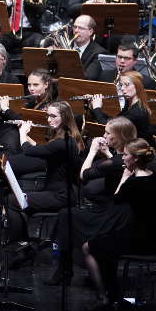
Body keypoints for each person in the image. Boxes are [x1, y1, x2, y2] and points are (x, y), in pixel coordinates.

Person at [46, 117, 138, 285]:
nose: (104, 135)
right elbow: (116, 165)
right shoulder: (126, 157)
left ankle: (65, 269)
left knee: (66, 215)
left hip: (112, 214)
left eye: (108, 133)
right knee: (67, 215)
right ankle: (71, 269)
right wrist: (107, 153)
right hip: (114, 209)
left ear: (118, 137)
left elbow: (83, 175)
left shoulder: (116, 162)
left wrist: (93, 151)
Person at [84, 138, 156, 311]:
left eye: (126, 155)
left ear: (135, 159)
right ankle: (113, 295)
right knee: (107, 246)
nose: (122, 158)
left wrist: (124, 177)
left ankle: (106, 298)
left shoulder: (133, 183)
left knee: (89, 247)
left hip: (139, 240)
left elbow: (116, 200)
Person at [5, 101, 84, 267]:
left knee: (12, 200)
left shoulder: (63, 142)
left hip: (61, 196)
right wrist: (28, 137)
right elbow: (45, 150)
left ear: (65, 118)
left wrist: (22, 133)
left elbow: (29, 151)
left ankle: (22, 245)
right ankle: (23, 243)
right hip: (59, 191)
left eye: (53, 116)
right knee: (16, 199)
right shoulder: (66, 138)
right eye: (48, 115)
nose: (48, 119)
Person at [89, 70, 152, 140]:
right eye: (121, 85)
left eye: (127, 85)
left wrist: (97, 108)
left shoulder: (138, 112)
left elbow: (110, 129)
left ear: (138, 86)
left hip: (134, 149)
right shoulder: (129, 104)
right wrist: (93, 106)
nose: (122, 88)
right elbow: (114, 121)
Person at [92, 41, 156, 90]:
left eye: (127, 58)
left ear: (135, 61)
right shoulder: (104, 76)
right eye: (119, 57)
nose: (122, 61)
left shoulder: (146, 83)